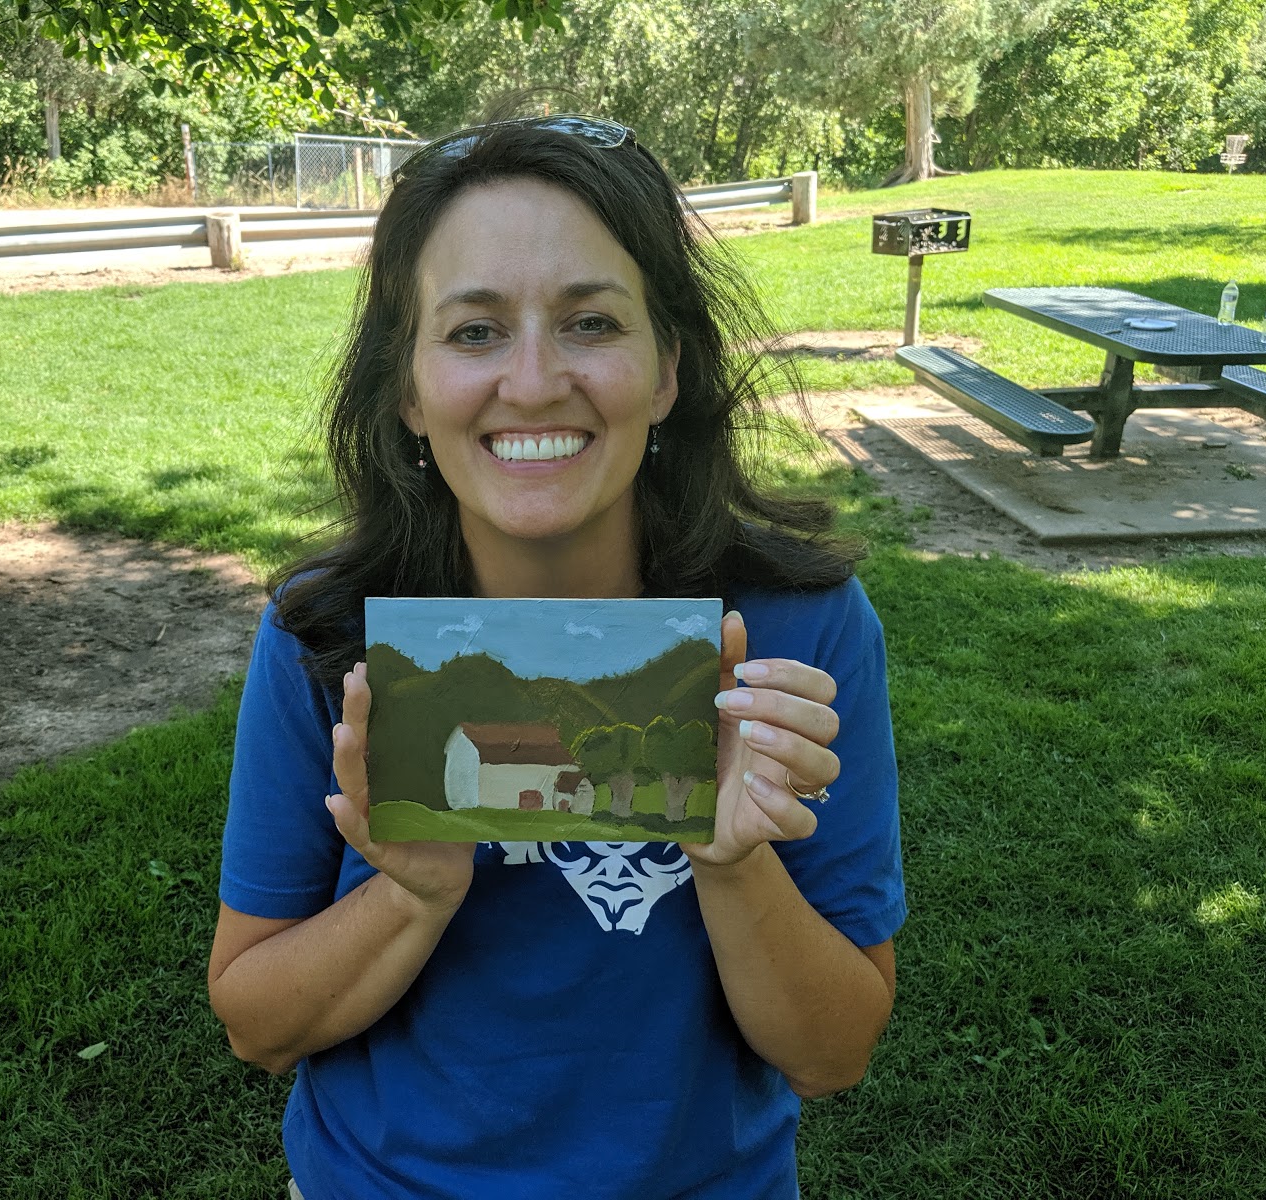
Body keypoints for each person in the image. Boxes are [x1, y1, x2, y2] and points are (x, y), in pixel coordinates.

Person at [207, 113, 906, 1199]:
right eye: (474, 332)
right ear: (407, 390)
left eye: (590, 322)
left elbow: (833, 1055)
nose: (532, 383)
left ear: (667, 370)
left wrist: (732, 863)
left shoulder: (797, 636)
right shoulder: (325, 637)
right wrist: (410, 896)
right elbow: (256, 1027)